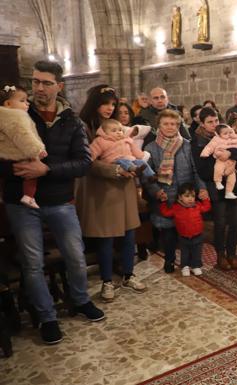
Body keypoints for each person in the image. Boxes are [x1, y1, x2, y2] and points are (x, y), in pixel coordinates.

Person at [0, 60, 104, 344]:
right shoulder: (14, 112)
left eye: (46, 83)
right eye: (35, 81)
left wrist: (46, 170)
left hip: (60, 201)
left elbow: (83, 163)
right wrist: (17, 169)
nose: (39, 88)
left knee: (75, 255)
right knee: (32, 264)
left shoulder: (72, 121)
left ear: (59, 86)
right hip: (21, 203)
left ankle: (81, 300)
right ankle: (47, 318)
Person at [76, 84, 147, 303]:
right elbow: (86, 161)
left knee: (129, 233)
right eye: (105, 103)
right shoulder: (85, 126)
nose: (109, 108)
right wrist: (114, 169)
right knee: (106, 236)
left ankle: (128, 274)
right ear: (95, 103)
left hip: (125, 186)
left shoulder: (118, 126)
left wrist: (138, 165)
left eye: (113, 104)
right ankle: (107, 280)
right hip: (101, 189)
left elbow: (130, 150)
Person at [144, 109, 207, 273]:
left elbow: (196, 170)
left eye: (173, 124)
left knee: (189, 231)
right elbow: (147, 174)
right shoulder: (151, 147)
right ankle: (170, 260)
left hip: (187, 195)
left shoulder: (186, 144)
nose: (170, 127)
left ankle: (192, 262)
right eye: (166, 123)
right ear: (159, 125)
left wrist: (202, 189)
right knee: (168, 231)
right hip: (166, 194)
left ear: (178, 125)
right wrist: (156, 191)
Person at [193, 107, 237, 270]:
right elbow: (201, 168)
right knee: (220, 223)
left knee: (236, 222)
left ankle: (232, 254)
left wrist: (230, 155)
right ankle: (220, 255)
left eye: (216, 120)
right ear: (202, 123)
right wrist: (221, 171)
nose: (214, 124)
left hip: (233, 185)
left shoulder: (227, 134)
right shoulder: (198, 141)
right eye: (209, 122)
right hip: (215, 185)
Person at [0, 85, 47, 209]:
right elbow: (24, 137)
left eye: (27, 101)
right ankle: (29, 196)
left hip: (6, 154)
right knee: (33, 170)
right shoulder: (16, 117)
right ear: (8, 104)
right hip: (19, 152)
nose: (27, 104)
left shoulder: (3, 116)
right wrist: (38, 150)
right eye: (22, 101)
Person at [159, 183, 211, 277]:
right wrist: (163, 202)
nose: (190, 198)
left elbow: (206, 207)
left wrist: (205, 199)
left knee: (197, 252)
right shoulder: (176, 208)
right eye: (187, 196)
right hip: (183, 236)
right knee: (185, 252)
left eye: (193, 196)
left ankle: (196, 266)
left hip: (198, 235)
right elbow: (166, 213)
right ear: (180, 197)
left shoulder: (198, 205)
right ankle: (185, 266)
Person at [200, 124, 237, 199]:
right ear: (219, 134)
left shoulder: (235, 137)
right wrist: (205, 153)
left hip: (232, 162)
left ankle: (229, 192)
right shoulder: (216, 139)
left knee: (232, 178)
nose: (228, 135)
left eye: (229, 132)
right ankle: (218, 182)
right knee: (218, 169)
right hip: (221, 159)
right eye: (225, 133)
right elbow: (210, 147)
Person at [89, 119, 156, 179]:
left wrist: (141, 155)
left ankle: (151, 176)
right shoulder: (101, 140)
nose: (118, 132)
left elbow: (135, 150)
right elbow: (93, 150)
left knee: (141, 162)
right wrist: (89, 157)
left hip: (130, 160)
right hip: (114, 162)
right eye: (114, 130)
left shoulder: (126, 139)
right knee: (123, 161)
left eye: (120, 130)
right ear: (105, 132)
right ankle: (133, 168)